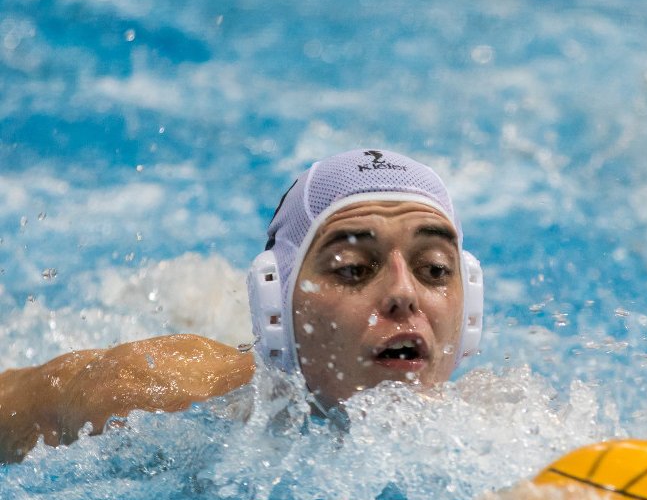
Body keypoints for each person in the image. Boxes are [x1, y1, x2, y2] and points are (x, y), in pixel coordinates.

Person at [0, 149, 483, 463]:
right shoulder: (152, 398)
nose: (404, 293)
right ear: (277, 300)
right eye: (353, 268)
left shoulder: (501, 443)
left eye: (435, 269)